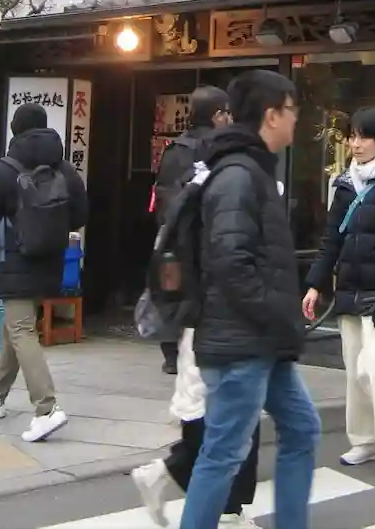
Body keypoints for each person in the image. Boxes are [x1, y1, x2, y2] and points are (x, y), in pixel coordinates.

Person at [179, 70, 320, 529]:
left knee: (301, 428)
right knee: (223, 453)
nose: (296, 119)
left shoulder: (251, 169)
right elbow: (230, 261)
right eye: (292, 109)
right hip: (241, 342)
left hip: (260, 341)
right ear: (271, 114)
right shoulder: (239, 175)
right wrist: (276, 313)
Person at [131, 154, 262, 528]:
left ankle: (173, 479)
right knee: (229, 419)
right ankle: (225, 508)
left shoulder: (199, 190)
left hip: (204, 323)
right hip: (220, 325)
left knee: (217, 416)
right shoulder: (227, 192)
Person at [0, 103, 88, 444]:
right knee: (15, 326)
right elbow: (80, 215)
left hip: (15, 262)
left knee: (21, 329)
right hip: (51, 261)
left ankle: (47, 409)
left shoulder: (2, 171)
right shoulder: (65, 170)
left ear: (15, 130)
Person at [303, 106, 375, 476]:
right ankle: (364, 441)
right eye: (352, 136)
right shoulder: (345, 183)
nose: (355, 144)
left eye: (363, 136)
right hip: (349, 286)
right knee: (355, 371)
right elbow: (332, 238)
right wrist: (315, 284)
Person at [153, 86, 231, 375]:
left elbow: (162, 194)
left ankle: (171, 352)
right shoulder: (222, 148)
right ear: (217, 115)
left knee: (174, 291)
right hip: (210, 236)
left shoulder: (175, 148)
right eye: (227, 113)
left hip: (175, 235)